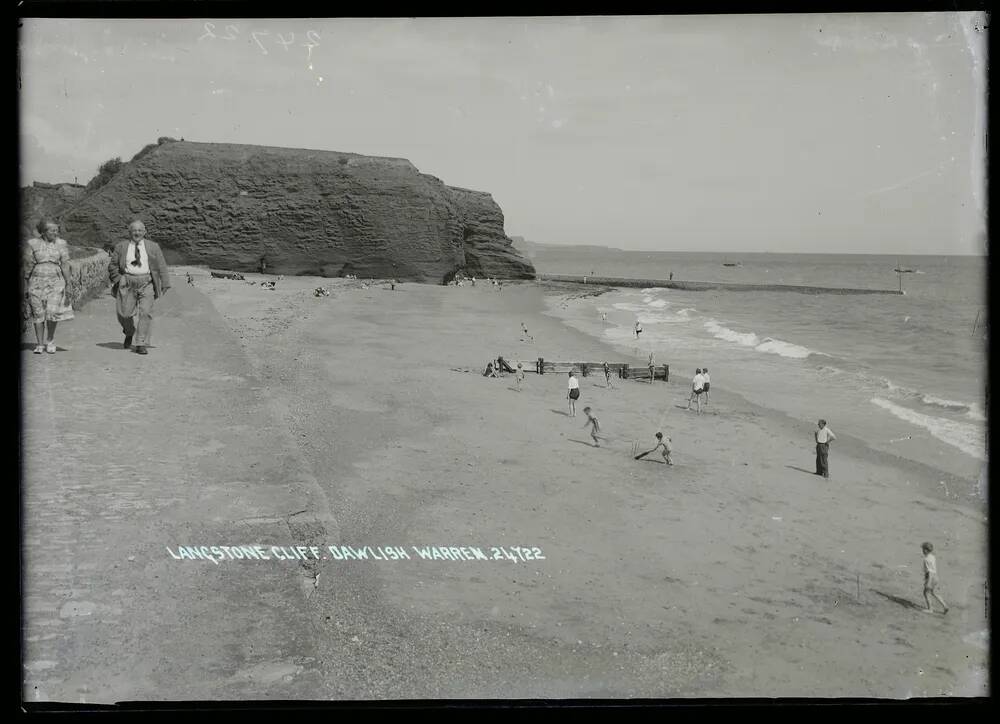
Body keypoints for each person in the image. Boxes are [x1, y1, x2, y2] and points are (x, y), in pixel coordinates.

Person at [108, 219, 171, 355]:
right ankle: (129, 332)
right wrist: (118, 279)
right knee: (124, 314)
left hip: (146, 282)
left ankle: (140, 343)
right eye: (134, 230)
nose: (137, 233)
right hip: (127, 281)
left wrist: (165, 282)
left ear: (144, 232)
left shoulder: (153, 246)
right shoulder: (121, 247)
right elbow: (113, 265)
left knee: (145, 312)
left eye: (140, 230)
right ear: (129, 232)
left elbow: (161, 265)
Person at [23, 219, 74, 354]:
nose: (55, 232)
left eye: (57, 230)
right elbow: (28, 264)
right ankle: (39, 344)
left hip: (56, 281)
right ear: (44, 231)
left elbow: (65, 264)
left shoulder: (61, 244)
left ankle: (50, 341)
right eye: (52, 230)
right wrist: (26, 283)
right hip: (36, 281)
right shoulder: (32, 243)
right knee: (38, 313)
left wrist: (68, 283)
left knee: (52, 313)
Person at [921, 542, 949, 614]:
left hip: (931, 577)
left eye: (923, 549)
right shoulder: (932, 557)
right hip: (936, 576)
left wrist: (928, 582)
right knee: (934, 592)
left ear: (926, 550)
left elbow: (929, 572)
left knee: (926, 593)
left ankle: (930, 609)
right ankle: (945, 606)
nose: (922, 551)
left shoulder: (926, 559)